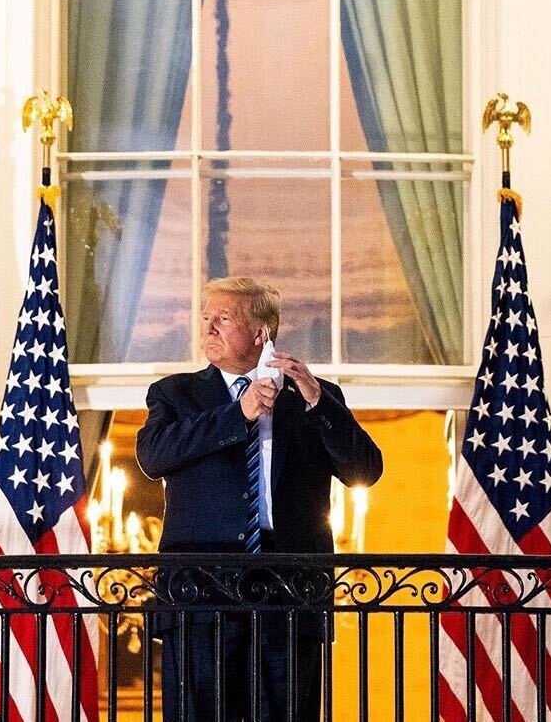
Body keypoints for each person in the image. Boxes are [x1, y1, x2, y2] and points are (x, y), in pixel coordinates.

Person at [136, 276, 383, 721]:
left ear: (260, 333)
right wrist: (239, 413)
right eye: (206, 317)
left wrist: (317, 399)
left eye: (223, 318)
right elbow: (154, 456)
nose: (208, 327)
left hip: (290, 593)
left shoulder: (314, 397)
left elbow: (364, 470)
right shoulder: (176, 393)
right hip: (200, 594)